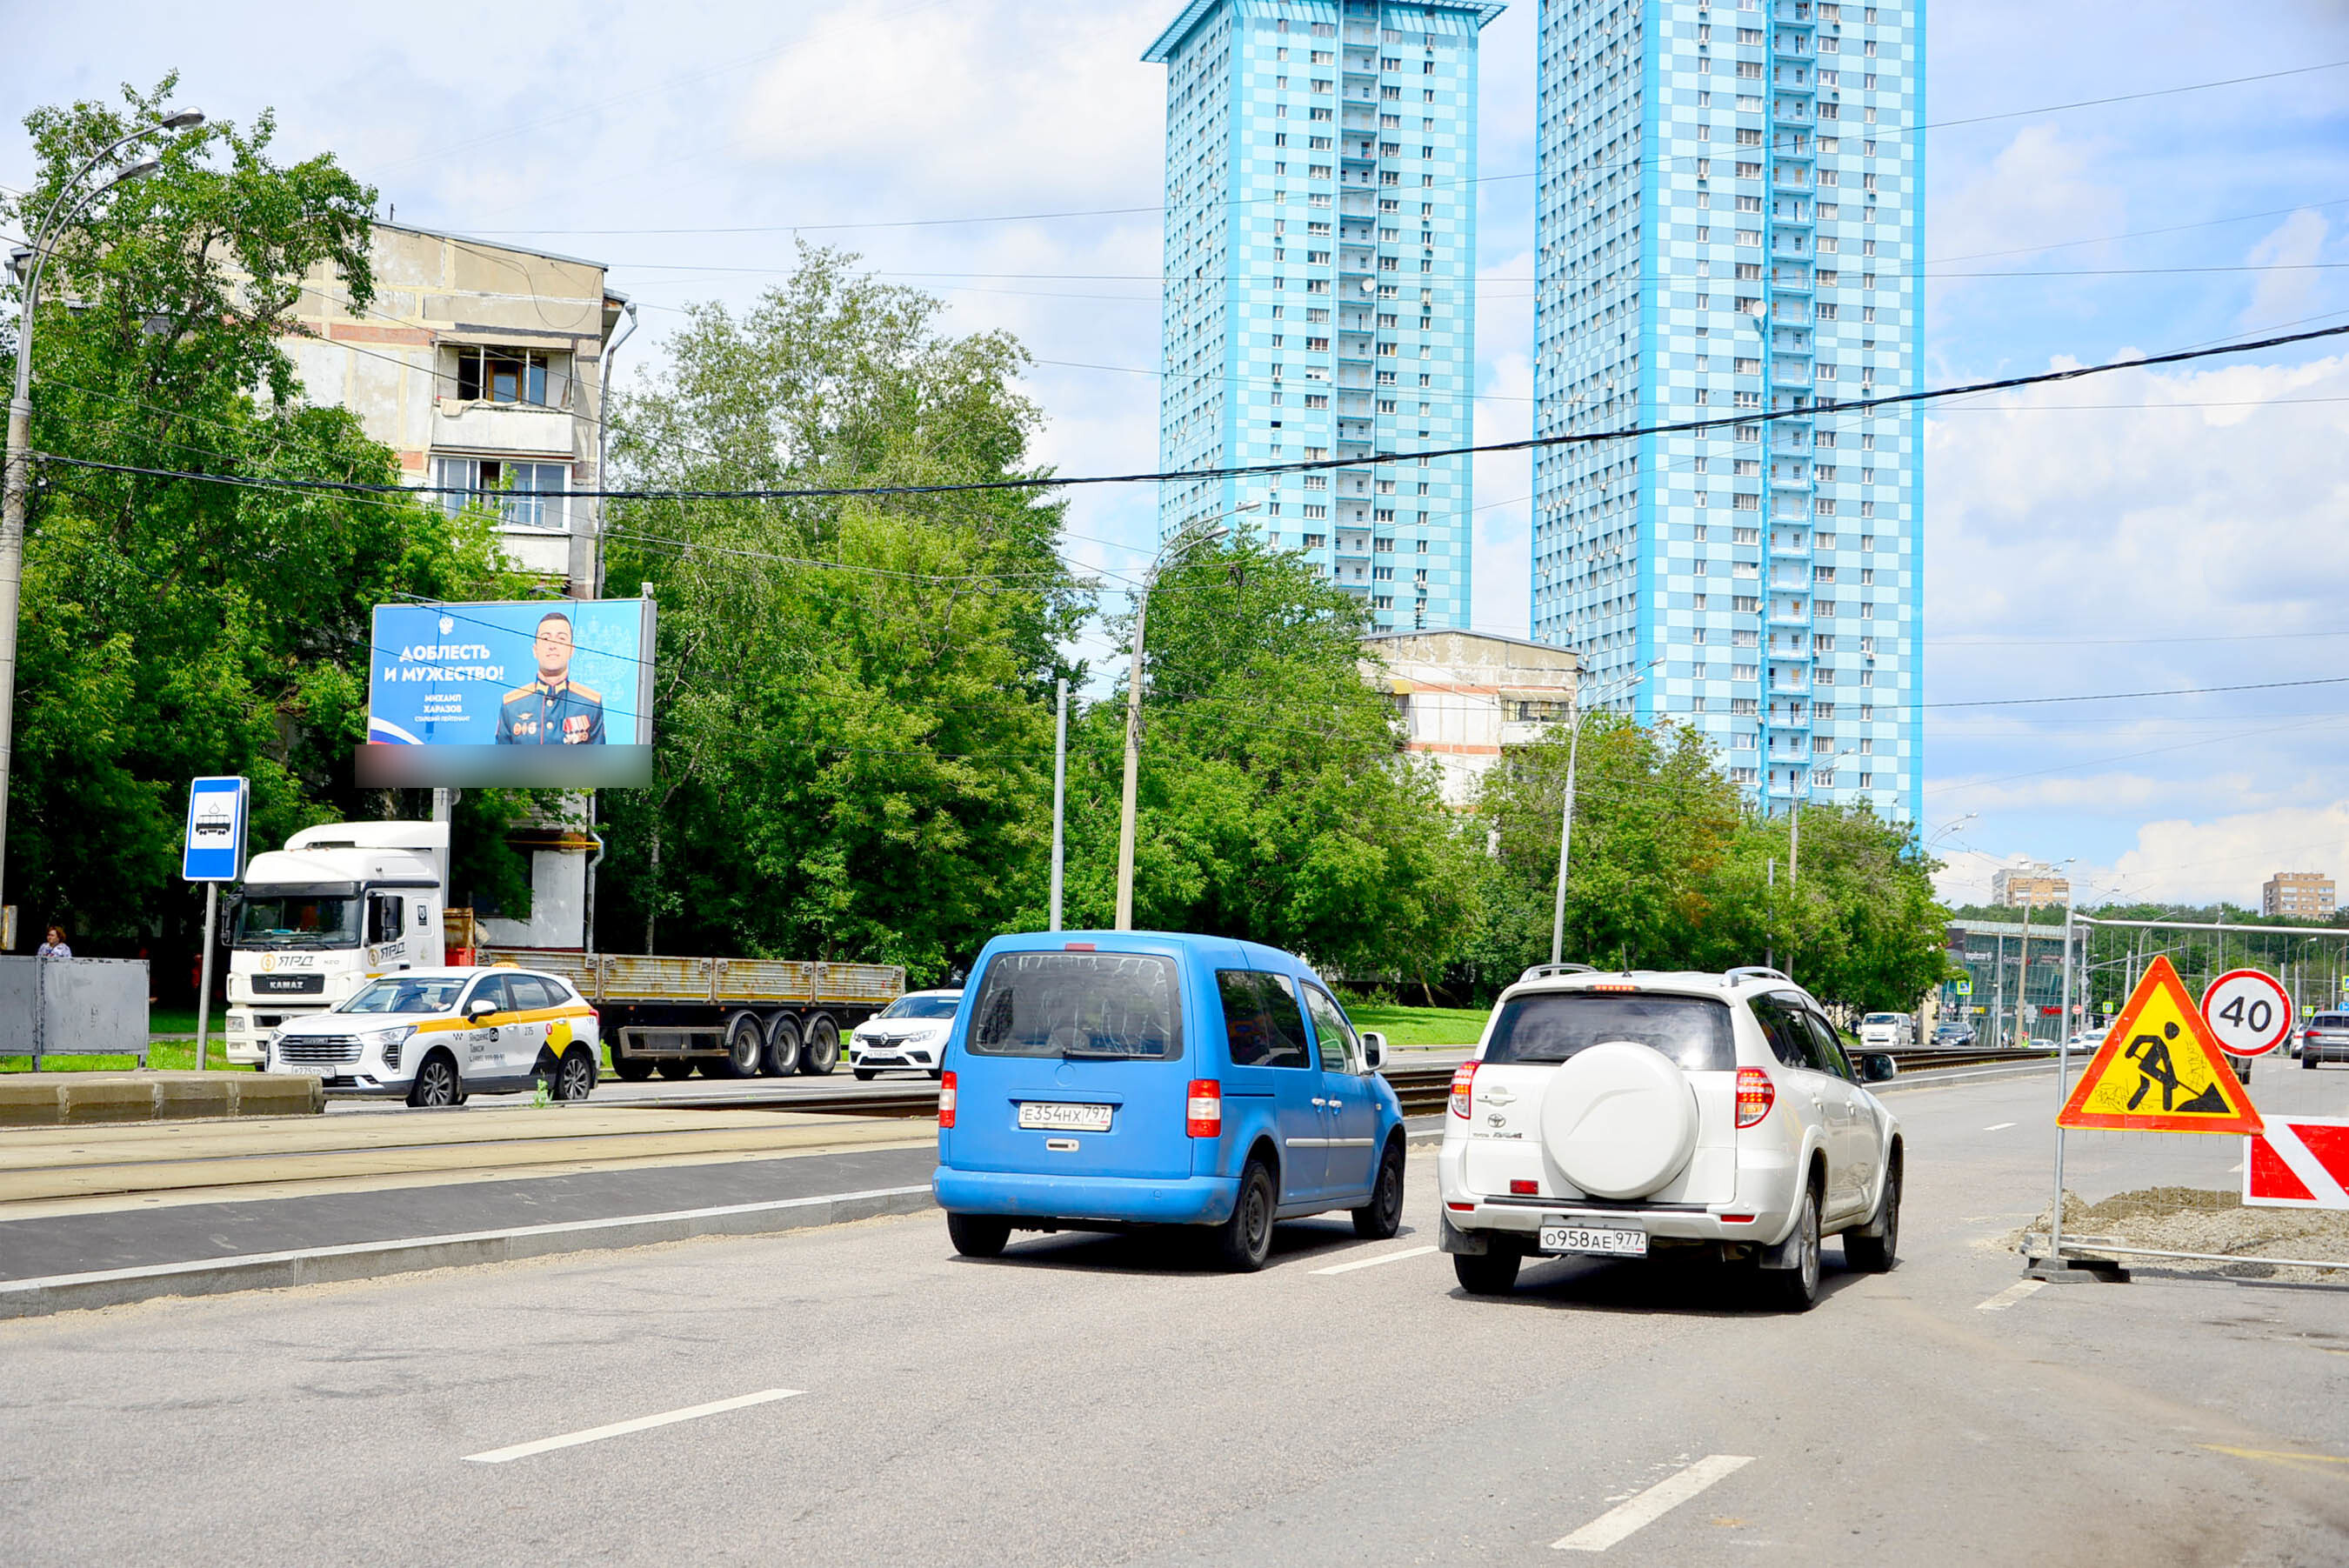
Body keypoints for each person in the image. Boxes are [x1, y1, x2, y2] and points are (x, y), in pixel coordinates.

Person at [496, 610, 606, 745]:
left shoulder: (590, 704)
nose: (553, 646)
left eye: (561, 639)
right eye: (546, 638)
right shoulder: (512, 705)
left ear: (571, 650)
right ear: (535, 650)